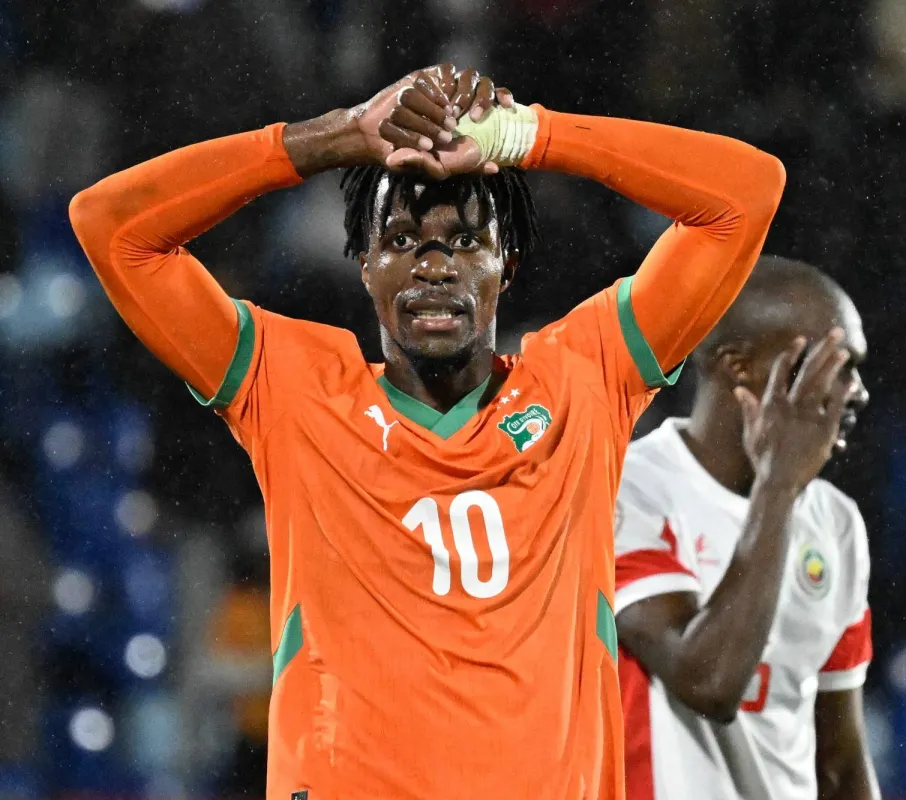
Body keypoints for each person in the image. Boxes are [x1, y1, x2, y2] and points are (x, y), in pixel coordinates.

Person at [68, 64, 784, 799]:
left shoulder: (584, 379)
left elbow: (746, 193)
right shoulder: (294, 390)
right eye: (403, 240)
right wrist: (338, 138)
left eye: (466, 241)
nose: (434, 266)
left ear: (507, 266)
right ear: (365, 266)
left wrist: (528, 134)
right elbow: (110, 227)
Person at [613, 257, 879, 800]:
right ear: (738, 367)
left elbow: (839, 762)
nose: (857, 392)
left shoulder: (836, 522)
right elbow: (708, 681)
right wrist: (777, 486)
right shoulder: (626, 491)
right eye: (835, 364)